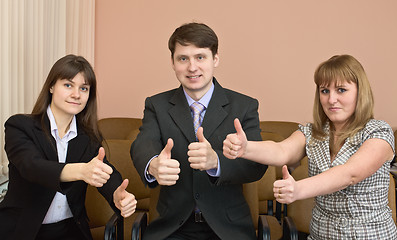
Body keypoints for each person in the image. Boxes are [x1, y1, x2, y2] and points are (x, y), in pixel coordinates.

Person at [223, 54, 397, 239]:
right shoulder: (313, 132)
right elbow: (281, 151)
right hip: (320, 235)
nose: (331, 100)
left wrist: (298, 189)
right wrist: (246, 148)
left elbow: (350, 174)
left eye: (341, 90)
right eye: (324, 91)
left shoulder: (378, 132)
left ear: (360, 92)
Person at [131, 22, 267, 240]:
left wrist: (217, 162)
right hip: (172, 228)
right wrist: (153, 164)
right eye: (183, 58)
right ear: (173, 63)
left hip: (228, 229)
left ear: (215, 59)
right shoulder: (157, 105)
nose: (192, 67)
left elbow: (255, 165)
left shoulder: (244, 106)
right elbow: (143, 143)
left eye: (200, 57)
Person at [0, 54, 137, 240]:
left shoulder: (88, 137)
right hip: (24, 230)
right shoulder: (20, 125)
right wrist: (81, 171)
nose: (76, 94)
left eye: (84, 88)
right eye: (68, 85)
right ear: (51, 87)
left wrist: (118, 195)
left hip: (70, 231)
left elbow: (105, 171)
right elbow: (31, 166)